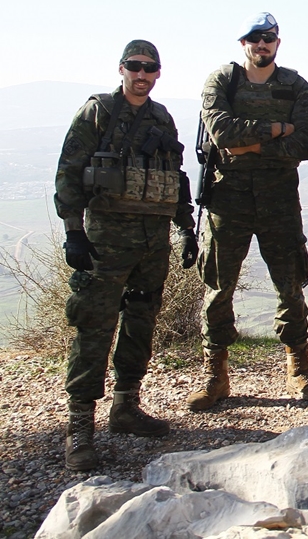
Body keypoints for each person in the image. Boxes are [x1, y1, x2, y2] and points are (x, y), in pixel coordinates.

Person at [54, 40, 198, 470]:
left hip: (152, 240)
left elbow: (172, 176)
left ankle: (125, 406)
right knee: (94, 325)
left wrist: (185, 226)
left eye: (149, 68)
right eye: (135, 66)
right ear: (122, 68)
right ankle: (80, 428)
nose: (142, 74)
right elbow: (69, 172)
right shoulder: (98, 111)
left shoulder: (161, 117)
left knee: (141, 322)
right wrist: (74, 233)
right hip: (106, 241)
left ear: (158, 73)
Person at [187, 12, 308, 411]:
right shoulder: (222, 81)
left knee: (290, 285)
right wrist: (279, 129)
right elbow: (223, 134)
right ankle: (215, 375)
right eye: (253, 39)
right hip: (226, 200)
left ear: (277, 42)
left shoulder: (296, 86)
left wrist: (251, 145)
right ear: (242, 43)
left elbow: (307, 145)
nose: (261, 45)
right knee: (218, 288)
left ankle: (298, 369)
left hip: (279, 199)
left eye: (267, 38)